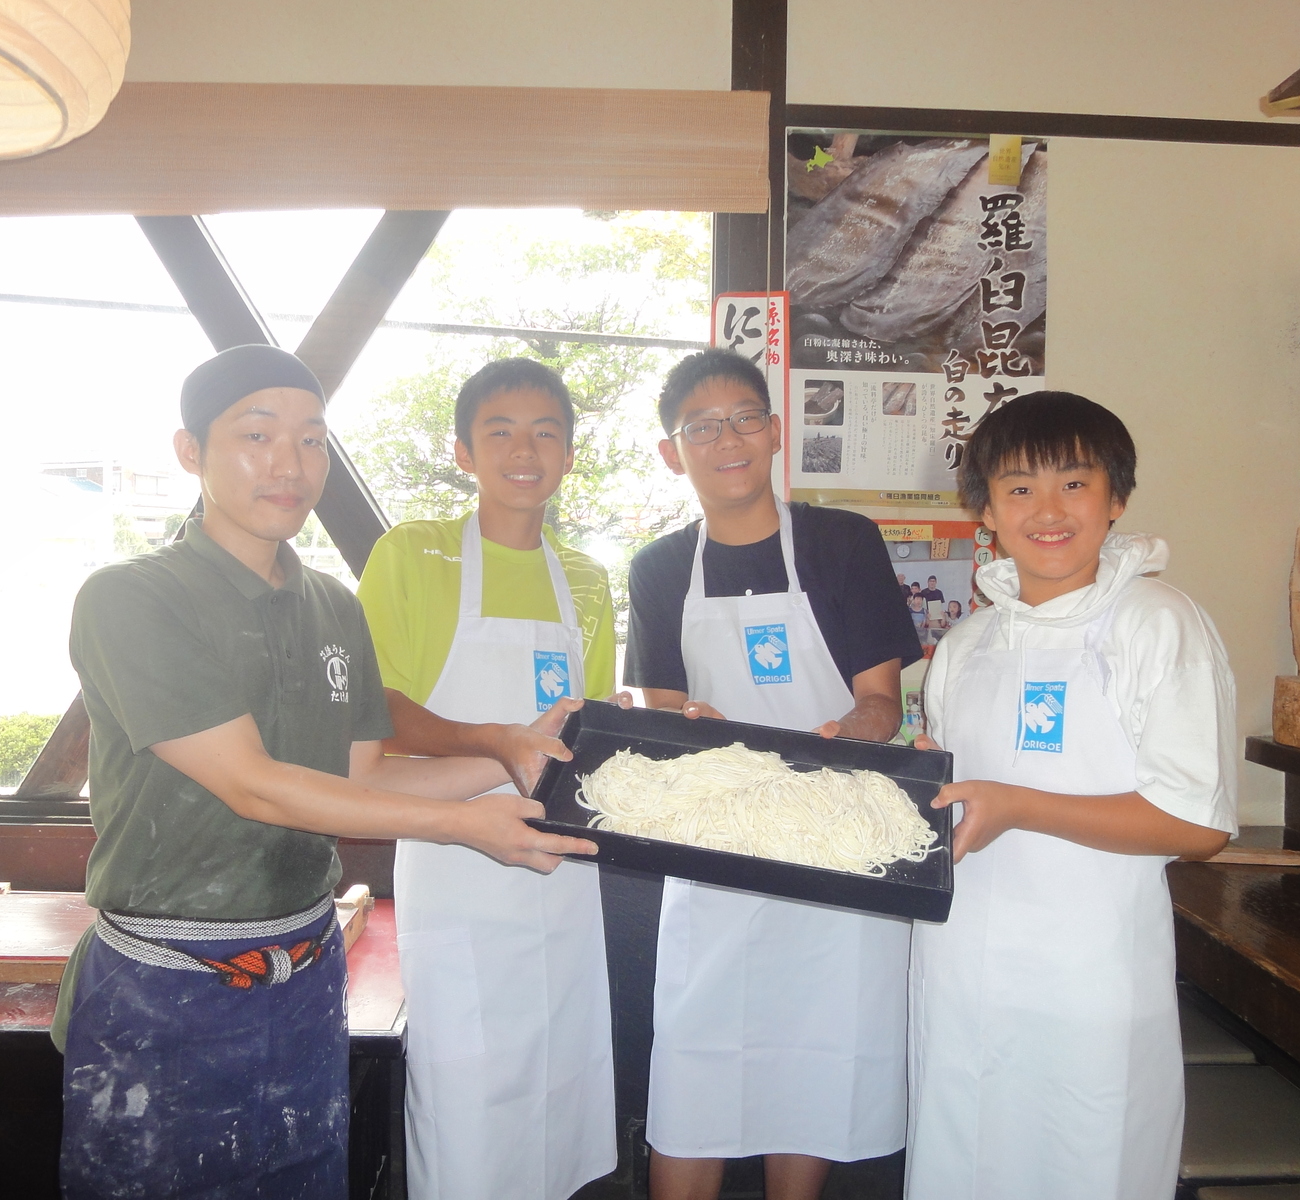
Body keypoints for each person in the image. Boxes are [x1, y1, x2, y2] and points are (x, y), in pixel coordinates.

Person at [54, 345, 596, 1199]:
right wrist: (467, 824)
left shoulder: (332, 606)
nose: (290, 464)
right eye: (257, 435)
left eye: (311, 441)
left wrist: (508, 756)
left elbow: (363, 785)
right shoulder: (133, 597)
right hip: (170, 983)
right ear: (190, 451)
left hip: (308, 973)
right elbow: (252, 783)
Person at [905, 391, 1236, 1200]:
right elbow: (955, 785)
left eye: (1075, 485)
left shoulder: (1158, 623)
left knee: (1087, 1163)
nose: (1047, 511)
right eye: (1019, 488)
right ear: (983, 510)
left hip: (1090, 980)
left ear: (1116, 498)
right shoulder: (966, 642)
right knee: (961, 1160)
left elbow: (1198, 825)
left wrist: (1021, 805)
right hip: (960, 975)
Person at [624, 348, 922, 1200]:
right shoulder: (656, 569)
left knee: (816, 1063)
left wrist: (843, 736)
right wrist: (684, 729)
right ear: (672, 451)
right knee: (694, 1059)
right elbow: (661, 712)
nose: (729, 438)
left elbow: (880, 700)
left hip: (836, 842)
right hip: (716, 842)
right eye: (702, 426)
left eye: (746, 418)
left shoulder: (841, 541)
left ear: (776, 431)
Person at [357, 359, 617, 1200]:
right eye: (500, 430)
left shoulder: (585, 578)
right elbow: (377, 708)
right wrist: (494, 742)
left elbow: (593, 731)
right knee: (467, 1095)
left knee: (558, 1081)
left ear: (570, 455)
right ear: (464, 451)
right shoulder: (412, 553)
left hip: (566, 872)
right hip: (454, 859)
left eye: (546, 432)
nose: (524, 449)